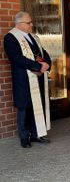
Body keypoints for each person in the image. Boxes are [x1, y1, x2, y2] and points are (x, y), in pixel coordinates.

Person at [4, 11, 51, 148]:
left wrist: (47, 64)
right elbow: (16, 58)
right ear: (19, 24)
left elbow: (43, 53)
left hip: (38, 78)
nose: (32, 24)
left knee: (37, 107)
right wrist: (37, 66)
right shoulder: (10, 38)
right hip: (23, 80)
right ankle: (24, 137)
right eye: (28, 23)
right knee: (24, 108)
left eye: (31, 22)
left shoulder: (34, 37)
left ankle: (37, 134)